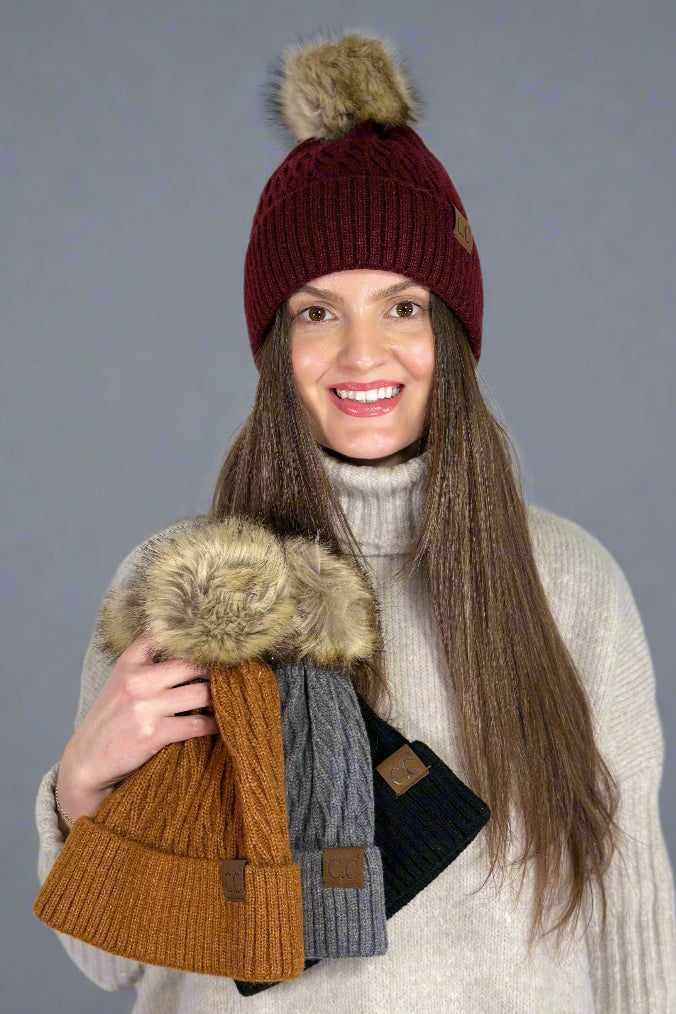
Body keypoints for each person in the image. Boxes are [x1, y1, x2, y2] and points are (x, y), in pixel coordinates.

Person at [35, 30, 676, 1013]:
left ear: (451, 332)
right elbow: (108, 958)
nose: (362, 353)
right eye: (315, 312)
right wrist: (79, 789)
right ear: (272, 341)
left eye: (404, 306)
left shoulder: (570, 585)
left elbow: (631, 918)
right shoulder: (186, 590)